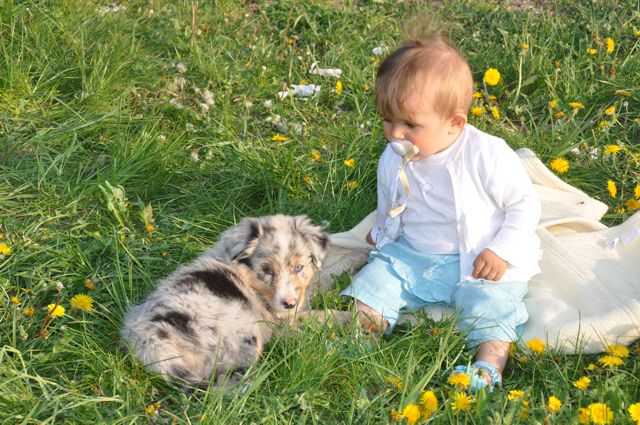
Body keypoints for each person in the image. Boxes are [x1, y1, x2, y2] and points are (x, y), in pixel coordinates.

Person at [340, 26, 541, 391]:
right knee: (375, 281)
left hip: (478, 259)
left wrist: (502, 249)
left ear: (455, 123)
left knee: (493, 307)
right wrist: (384, 232)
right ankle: (362, 336)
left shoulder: (487, 154)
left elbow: (524, 205)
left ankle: (487, 366)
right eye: (387, 120)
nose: (395, 134)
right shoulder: (394, 156)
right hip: (415, 254)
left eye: (410, 125)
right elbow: (390, 199)